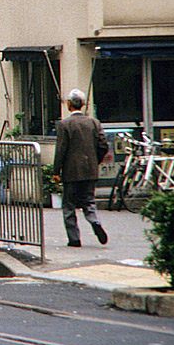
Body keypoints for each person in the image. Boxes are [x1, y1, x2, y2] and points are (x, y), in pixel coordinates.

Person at [53, 88, 109, 247]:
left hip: (71, 172)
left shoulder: (65, 124)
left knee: (69, 205)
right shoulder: (93, 122)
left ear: (69, 104)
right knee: (89, 201)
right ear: (83, 104)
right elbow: (103, 145)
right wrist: (95, 160)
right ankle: (95, 221)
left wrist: (56, 171)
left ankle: (74, 238)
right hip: (90, 170)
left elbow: (61, 149)